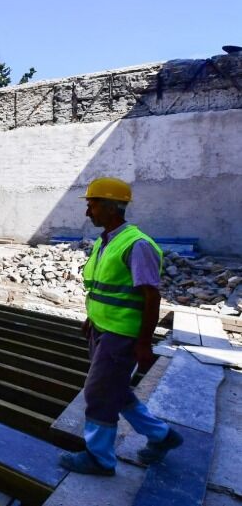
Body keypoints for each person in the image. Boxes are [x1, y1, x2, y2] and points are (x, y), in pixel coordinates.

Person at [60, 177, 182, 476]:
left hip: (122, 335)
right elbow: (106, 289)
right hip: (102, 329)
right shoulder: (107, 241)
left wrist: (144, 343)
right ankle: (162, 436)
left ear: (111, 207)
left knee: (99, 394)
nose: (88, 213)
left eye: (92, 206)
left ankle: (99, 459)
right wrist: (93, 318)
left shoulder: (136, 245)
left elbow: (151, 297)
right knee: (114, 389)